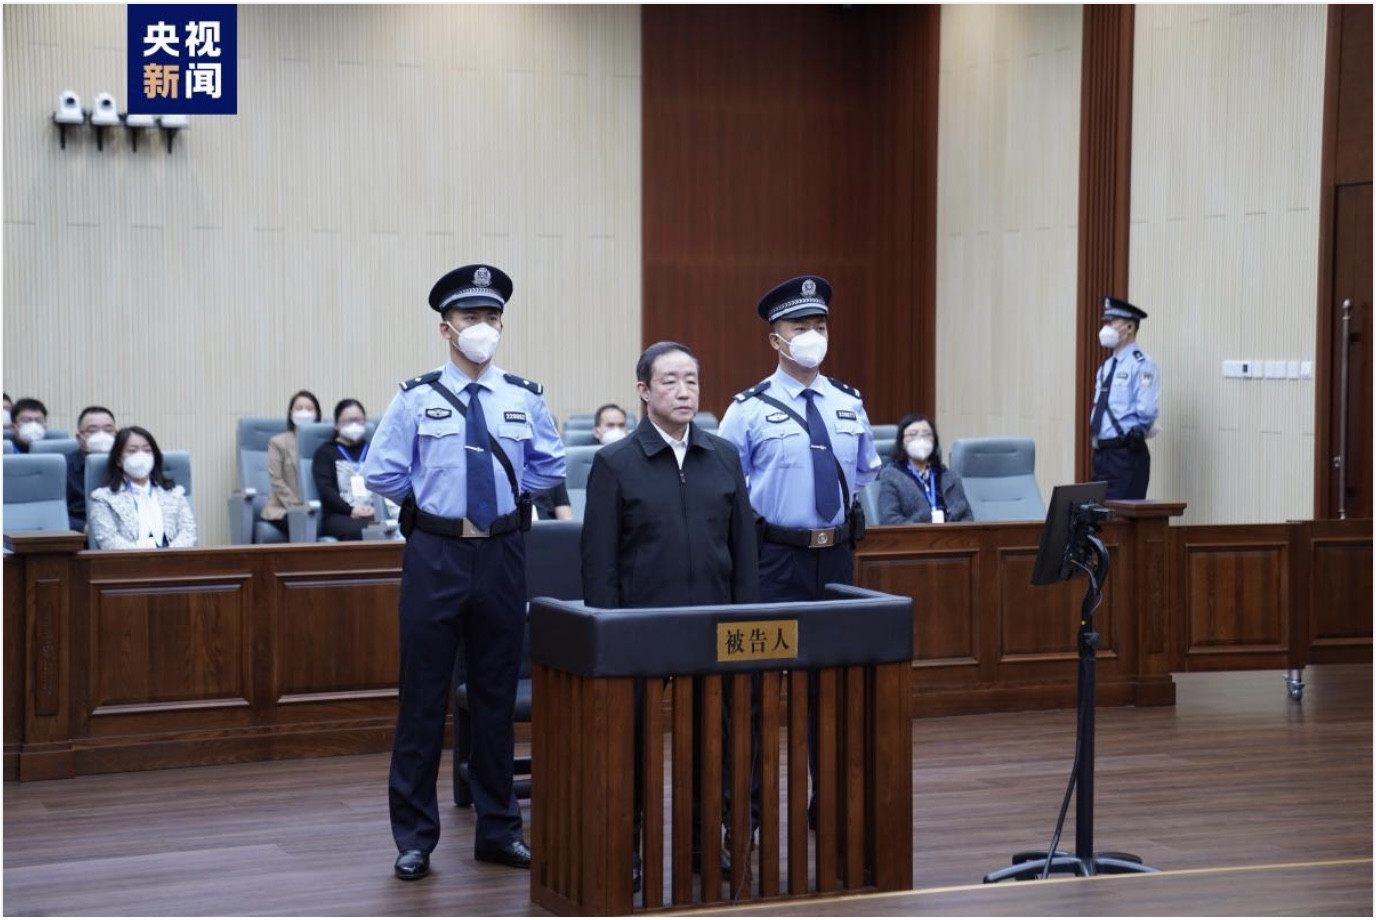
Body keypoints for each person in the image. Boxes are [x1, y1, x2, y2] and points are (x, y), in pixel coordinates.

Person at [363, 263, 565, 881]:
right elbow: (382, 472)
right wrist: (431, 509)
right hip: (437, 553)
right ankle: (414, 837)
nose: (483, 327)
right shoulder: (415, 397)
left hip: (502, 552)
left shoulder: (524, 396)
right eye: (470, 316)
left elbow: (549, 466)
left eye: (492, 317)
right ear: (445, 328)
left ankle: (499, 830)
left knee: (496, 696)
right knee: (423, 697)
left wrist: (505, 505)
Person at [581, 341, 758, 890]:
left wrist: (746, 621)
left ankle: (705, 843)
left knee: (713, 743)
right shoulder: (615, 463)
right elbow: (599, 562)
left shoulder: (723, 456)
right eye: (670, 381)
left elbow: (743, 551)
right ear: (643, 391)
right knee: (632, 743)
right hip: (640, 630)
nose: (684, 392)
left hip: (713, 628)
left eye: (692, 380)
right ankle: (629, 846)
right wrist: (609, 633)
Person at [717, 273, 881, 835]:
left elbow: (864, 472)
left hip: (834, 560)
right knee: (758, 691)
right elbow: (728, 488)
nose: (812, 335)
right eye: (799, 326)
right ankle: (749, 815)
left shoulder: (848, 402)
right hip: (773, 560)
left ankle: (829, 805)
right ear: (775, 338)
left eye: (820, 325)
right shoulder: (747, 409)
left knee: (832, 690)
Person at [1090, 296, 1160, 501]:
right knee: (1099, 512)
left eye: (1112, 322)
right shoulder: (1106, 366)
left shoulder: (1142, 364)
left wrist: (1135, 433)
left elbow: (1147, 410)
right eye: (1106, 322)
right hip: (1102, 455)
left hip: (1125, 454)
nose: (1106, 328)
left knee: (1121, 513)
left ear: (1129, 327)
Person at [88, 426, 198, 549]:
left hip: (174, 558)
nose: (141, 456)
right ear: (118, 460)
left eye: (147, 450)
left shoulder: (174, 493)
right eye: (132, 450)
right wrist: (144, 556)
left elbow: (189, 533)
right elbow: (108, 540)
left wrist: (168, 555)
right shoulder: (103, 498)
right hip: (127, 560)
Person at [877, 413, 972, 524]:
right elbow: (889, 519)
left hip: (951, 533)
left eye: (927, 435)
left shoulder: (949, 475)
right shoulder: (892, 476)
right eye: (913, 435)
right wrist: (924, 525)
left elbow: (967, 517)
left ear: (934, 440)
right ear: (902, 441)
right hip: (915, 533)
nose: (920, 440)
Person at [312, 399, 381, 541]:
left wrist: (378, 509)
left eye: (358, 420)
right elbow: (326, 490)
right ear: (337, 424)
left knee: (393, 527)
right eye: (349, 421)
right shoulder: (325, 452)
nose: (354, 424)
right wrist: (351, 510)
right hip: (340, 515)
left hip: (374, 512)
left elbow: (384, 483)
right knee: (366, 530)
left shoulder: (373, 450)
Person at [262, 390, 322, 535]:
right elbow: (276, 479)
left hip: (319, 508)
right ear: (291, 413)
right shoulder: (278, 442)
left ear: (317, 414)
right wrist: (298, 506)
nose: (304, 413)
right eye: (299, 408)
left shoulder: (323, 442)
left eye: (309, 409)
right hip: (284, 508)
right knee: (303, 523)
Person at [67, 405, 118, 532]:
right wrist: (82, 527)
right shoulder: (64, 468)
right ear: (79, 438)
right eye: (92, 431)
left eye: (108, 430)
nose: (102, 435)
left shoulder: (128, 465)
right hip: (80, 536)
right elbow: (54, 511)